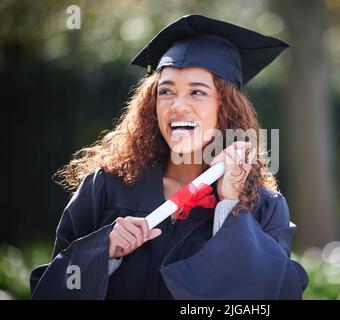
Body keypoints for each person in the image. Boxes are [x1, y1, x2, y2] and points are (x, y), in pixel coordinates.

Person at [30, 14, 308, 299]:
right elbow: (48, 291)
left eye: (197, 92)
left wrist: (230, 208)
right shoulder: (105, 187)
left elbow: (267, 297)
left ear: (225, 107)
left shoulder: (264, 207)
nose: (177, 105)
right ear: (152, 104)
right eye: (166, 91)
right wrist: (102, 253)